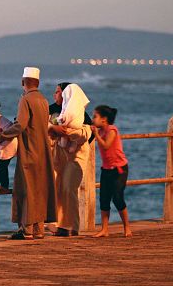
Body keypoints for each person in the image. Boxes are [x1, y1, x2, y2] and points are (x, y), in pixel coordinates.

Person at [0, 67, 57, 240]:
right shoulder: (43, 100)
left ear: (23, 82)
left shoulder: (26, 99)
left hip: (29, 150)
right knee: (39, 189)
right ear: (37, 83)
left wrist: (4, 134)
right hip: (43, 151)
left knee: (26, 190)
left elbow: (21, 124)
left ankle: (27, 229)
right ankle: (39, 229)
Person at [48, 82, 94, 237]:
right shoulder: (52, 110)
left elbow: (89, 133)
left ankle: (72, 226)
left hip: (76, 156)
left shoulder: (79, 114)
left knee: (69, 187)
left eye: (58, 92)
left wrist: (68, 134)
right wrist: (53, 128)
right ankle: (61, 225)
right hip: (58, 156)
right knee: (58, 188)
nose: (55, 95)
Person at [91, 105, 132, 237]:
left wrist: (96, 134)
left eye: (95, 116)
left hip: (119, 169)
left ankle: (127, 227)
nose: (93, 119)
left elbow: (106, 145)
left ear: (104, 119)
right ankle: (104, 229)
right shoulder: (100, 131)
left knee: (117, 197)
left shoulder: (112, 130)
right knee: (104, 199)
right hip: (106, 169)